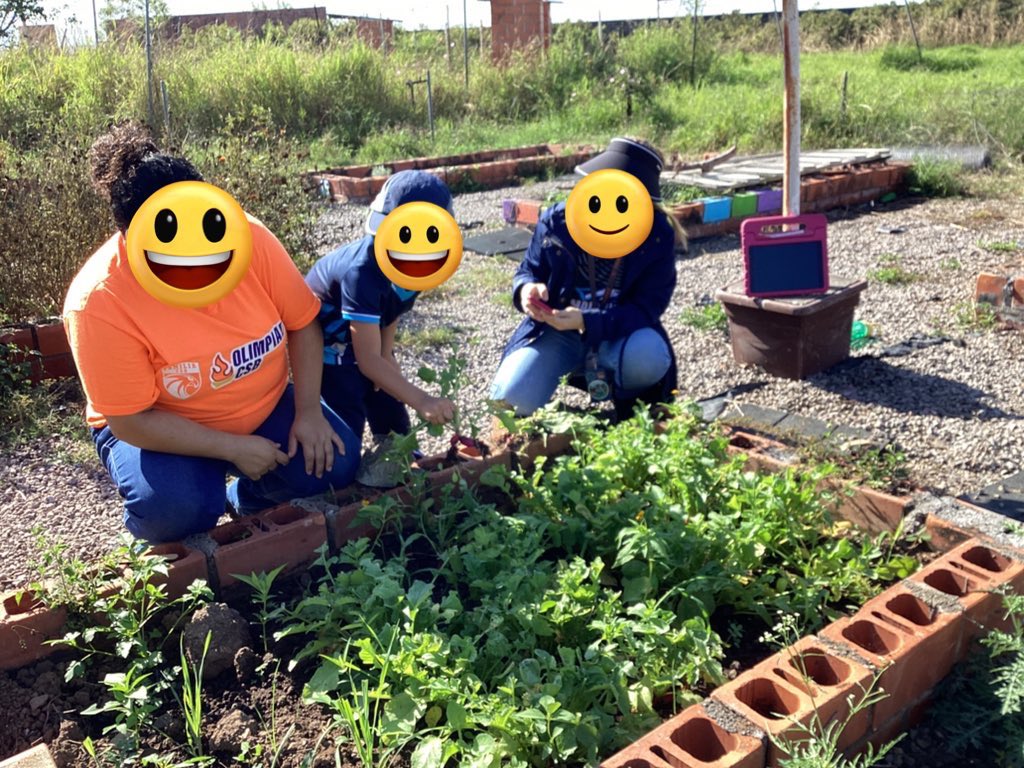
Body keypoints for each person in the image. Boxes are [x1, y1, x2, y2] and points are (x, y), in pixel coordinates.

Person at [63, 121, 360, 543]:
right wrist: (231, 448)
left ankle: (245, 496)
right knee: (178, 510)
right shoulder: (99, 300)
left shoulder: (249, 239)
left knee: (335, 461)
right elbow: (130, 420)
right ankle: (170, 516)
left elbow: (302, 324)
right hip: (162, 430)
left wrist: (309, 411)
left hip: (264, 404)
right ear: (129, 236)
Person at [489, 137, 684, 419]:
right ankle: (560, 406)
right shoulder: (558, 220)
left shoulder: (656, 236)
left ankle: (629, 405)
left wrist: (588, 322)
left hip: (617, 334)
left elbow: (648, 307)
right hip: (557, 333)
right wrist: (526, 290)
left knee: (648, 358)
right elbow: (528, 270)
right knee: (508, 400)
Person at [305, 171, 458, 484]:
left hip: (364, 340)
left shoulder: (419, 266)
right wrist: (423, 400)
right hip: (328, 346)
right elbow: (367, 359)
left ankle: (394, 455)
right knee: (344, 428)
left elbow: (388, 324)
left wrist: (389, 366)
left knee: (389, 401)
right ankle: (338, 477)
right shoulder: (363, 272)